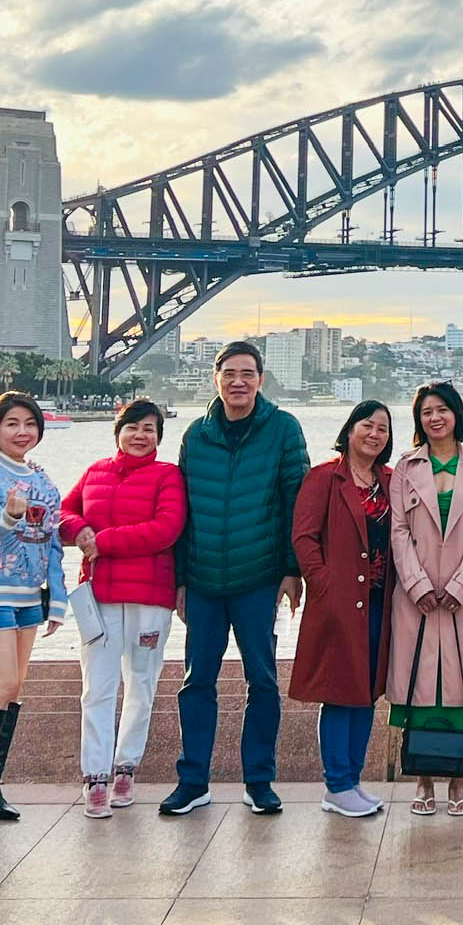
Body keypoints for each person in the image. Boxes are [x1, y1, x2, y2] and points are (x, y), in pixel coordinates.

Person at [163, 340, 311, 816]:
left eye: (247, 373)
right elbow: (182, 510)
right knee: (196, 683)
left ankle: (259, 780)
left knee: (263, 681)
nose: (238, 381)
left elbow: (298, 503)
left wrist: (292, 569)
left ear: (261, 380)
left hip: (258, 578)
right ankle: (193, 781)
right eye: (229, 373)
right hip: (203, 581)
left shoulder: (284, 428)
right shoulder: (195, 435)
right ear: (216, 379)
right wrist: (181, 578)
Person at [60, 399, 186, 814]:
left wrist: (104, 542)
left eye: (149, 428)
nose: (140, 435)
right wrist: (79, 530)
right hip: (99, 597)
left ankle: (126, 767)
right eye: (132, 427)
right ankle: (95, 776)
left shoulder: (167, 476)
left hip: (150, 599)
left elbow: (166, 530)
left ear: (158, 437)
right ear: (118, 432)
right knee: (97, 687)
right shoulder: (95, 473)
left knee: (141, 684)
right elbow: (63, 512)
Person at [388, 382, 463, 816]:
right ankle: (422, 782)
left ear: (457, 413)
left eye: (442, 410)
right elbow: (398, 530)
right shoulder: (405, 467)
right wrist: (416, 584)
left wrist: (461, 585)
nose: (434, 418)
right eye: (426, 412)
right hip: (416, 596)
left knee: (461, 691)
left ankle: (458, 782)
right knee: (420, 688)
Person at [0, 391, 68, 837]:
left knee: (17, 686)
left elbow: (53, 542)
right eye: (11, 424)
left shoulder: (43, 479)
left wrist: (56, 599)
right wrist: (8, 513)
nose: (22, 431)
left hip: (28, 594)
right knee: (1, 683)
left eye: (29, 423)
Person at [291, 401, 395, 819]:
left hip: (378, 603)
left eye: (383, 429)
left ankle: (352, 780)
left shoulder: (390, 479)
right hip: (338, 603)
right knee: (338, 692)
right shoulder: (323, 478)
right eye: (367, 425)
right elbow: (303, 538)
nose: (375, 434)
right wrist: (323, 584)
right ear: (349, 430)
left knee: (366, 691)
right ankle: (336, 784)